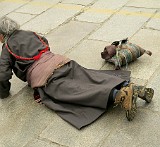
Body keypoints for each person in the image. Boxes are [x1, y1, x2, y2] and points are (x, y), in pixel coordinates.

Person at [0, 16, 154, 129]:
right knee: (89, 77)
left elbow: (3, 74)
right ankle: (133, 88)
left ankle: (119, 96)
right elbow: (45, 41)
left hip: (45, 76)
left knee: (73, 91)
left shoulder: (7, 48)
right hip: (61, 61)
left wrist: (4, 93)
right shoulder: (29, 33)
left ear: (2, 35)